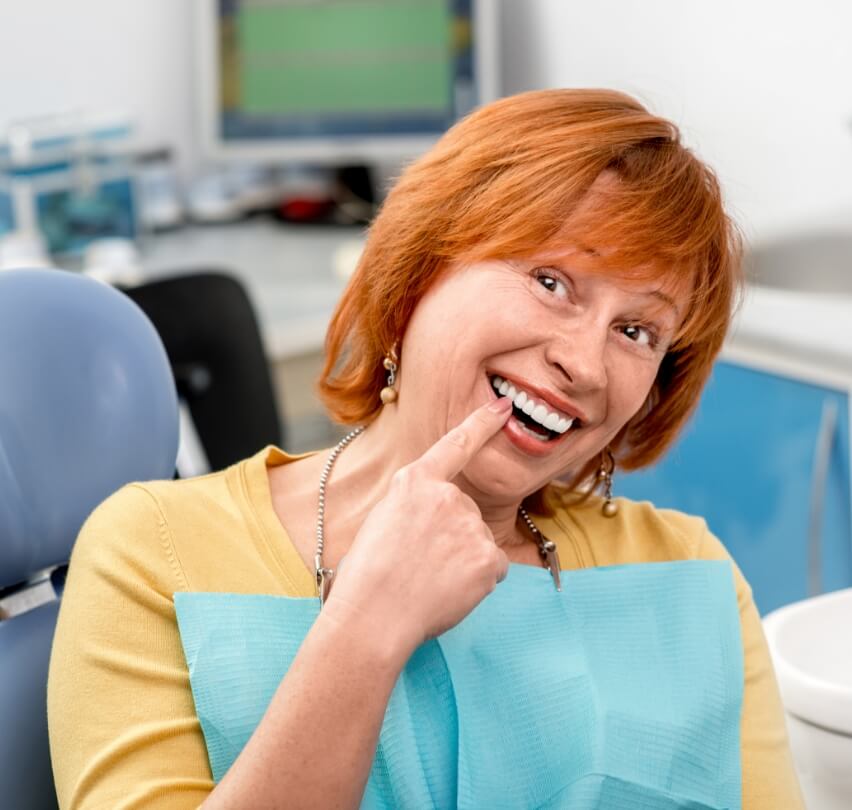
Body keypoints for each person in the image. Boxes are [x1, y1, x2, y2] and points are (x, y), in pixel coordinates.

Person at [47, 89, 804, 809]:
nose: (586, 363)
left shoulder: (690, 575)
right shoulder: (152, 551)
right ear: (416, 277)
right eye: (551, 281)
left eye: (637, 332)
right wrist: (367, 629)